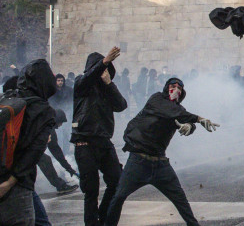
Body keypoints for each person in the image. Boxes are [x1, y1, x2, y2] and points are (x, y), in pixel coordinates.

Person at [103, 77, 219, 226]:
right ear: (166, 88)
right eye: (173, 85)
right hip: (138, 161)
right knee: (118, 197)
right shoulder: (157, 99)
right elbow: (172, 112)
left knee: (180, 200)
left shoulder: (178, 110)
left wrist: (190, 126)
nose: (176, 89)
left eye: (179, 87)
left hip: (160, 164)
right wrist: (197, 118)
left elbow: (181, 116)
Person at [0, 60, 57, 226]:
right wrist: (9, 183)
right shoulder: (43, 110)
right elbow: (33, 153)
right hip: (15, 186)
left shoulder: (5, 99)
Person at [72, 47, 128, 226]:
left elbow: (121, 105)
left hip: (103, 142)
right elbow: (87, 78)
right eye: (100, 67)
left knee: (117, 181)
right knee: (91, 190)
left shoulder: (106, 88)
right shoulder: (81, 83)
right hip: (85, 142)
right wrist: (103, 62)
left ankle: (103, 217)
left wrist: (109, 83)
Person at [36, 109, 79, 196]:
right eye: (61, 122)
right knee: (45, 160)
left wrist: (68, 168)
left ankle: (60, 185)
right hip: (26, 150)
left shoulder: (46, 126)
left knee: (44, 159)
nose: (60, 126)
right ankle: (61, 186)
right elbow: (56, 152)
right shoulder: (47, 128)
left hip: (30, 151)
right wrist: (68, 168)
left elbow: (56, 151)